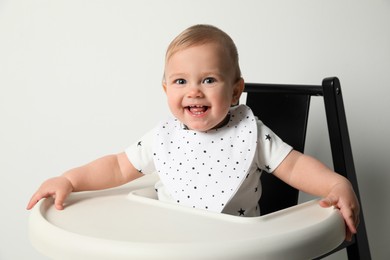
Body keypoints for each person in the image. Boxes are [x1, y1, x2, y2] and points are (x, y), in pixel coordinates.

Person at [27, 24, 359, 241]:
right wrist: (69, 180)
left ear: (234, 91)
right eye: (181, 81)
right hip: (171, 243)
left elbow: (296, 166)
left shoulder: (251, 133)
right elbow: (116, 166)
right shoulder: (163, 137)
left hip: (237, 246)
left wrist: (335, 184)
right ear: (165, 88)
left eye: (209, 80)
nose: (194, 91)